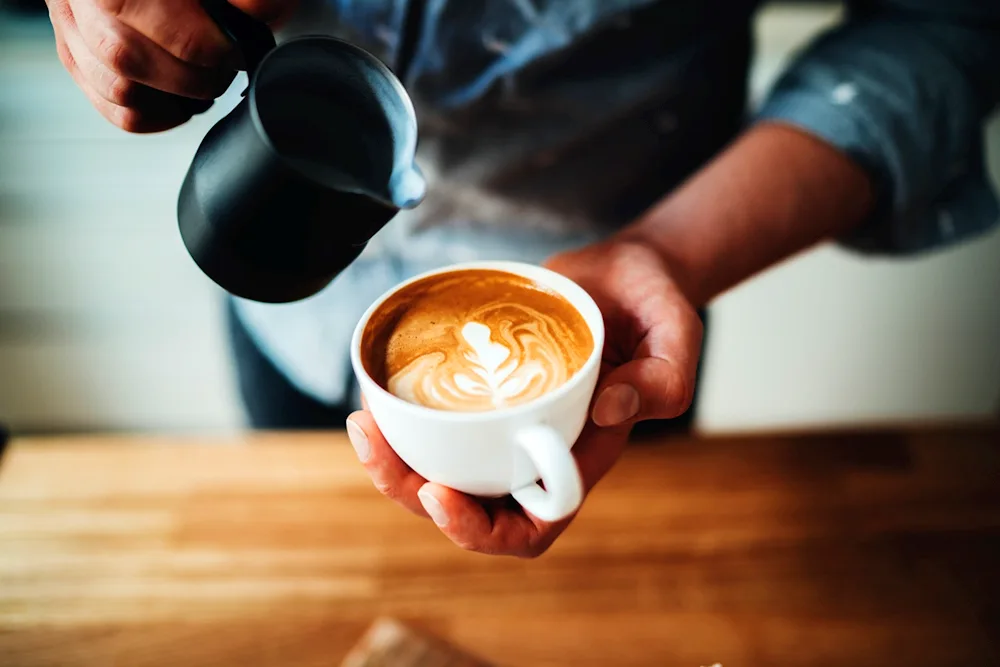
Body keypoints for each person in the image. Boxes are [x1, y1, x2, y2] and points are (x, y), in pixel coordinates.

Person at [45, 0, 1000, 557]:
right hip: (296, 316)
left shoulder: (629, 323)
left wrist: (668, 252)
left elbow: (942, 23)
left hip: (620, 325)